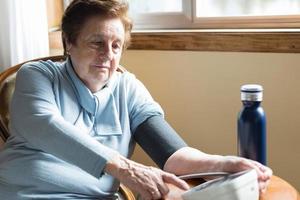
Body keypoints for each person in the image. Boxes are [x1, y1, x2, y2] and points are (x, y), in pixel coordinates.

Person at [0, 0, 272, 199]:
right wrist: (125, 168)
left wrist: (225, 164)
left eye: (116, 45)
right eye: (97, 42)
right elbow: (44, 125)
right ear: (69, 42)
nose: (108, 54)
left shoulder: (128, 89)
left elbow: (172, 154)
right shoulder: (37, 76)